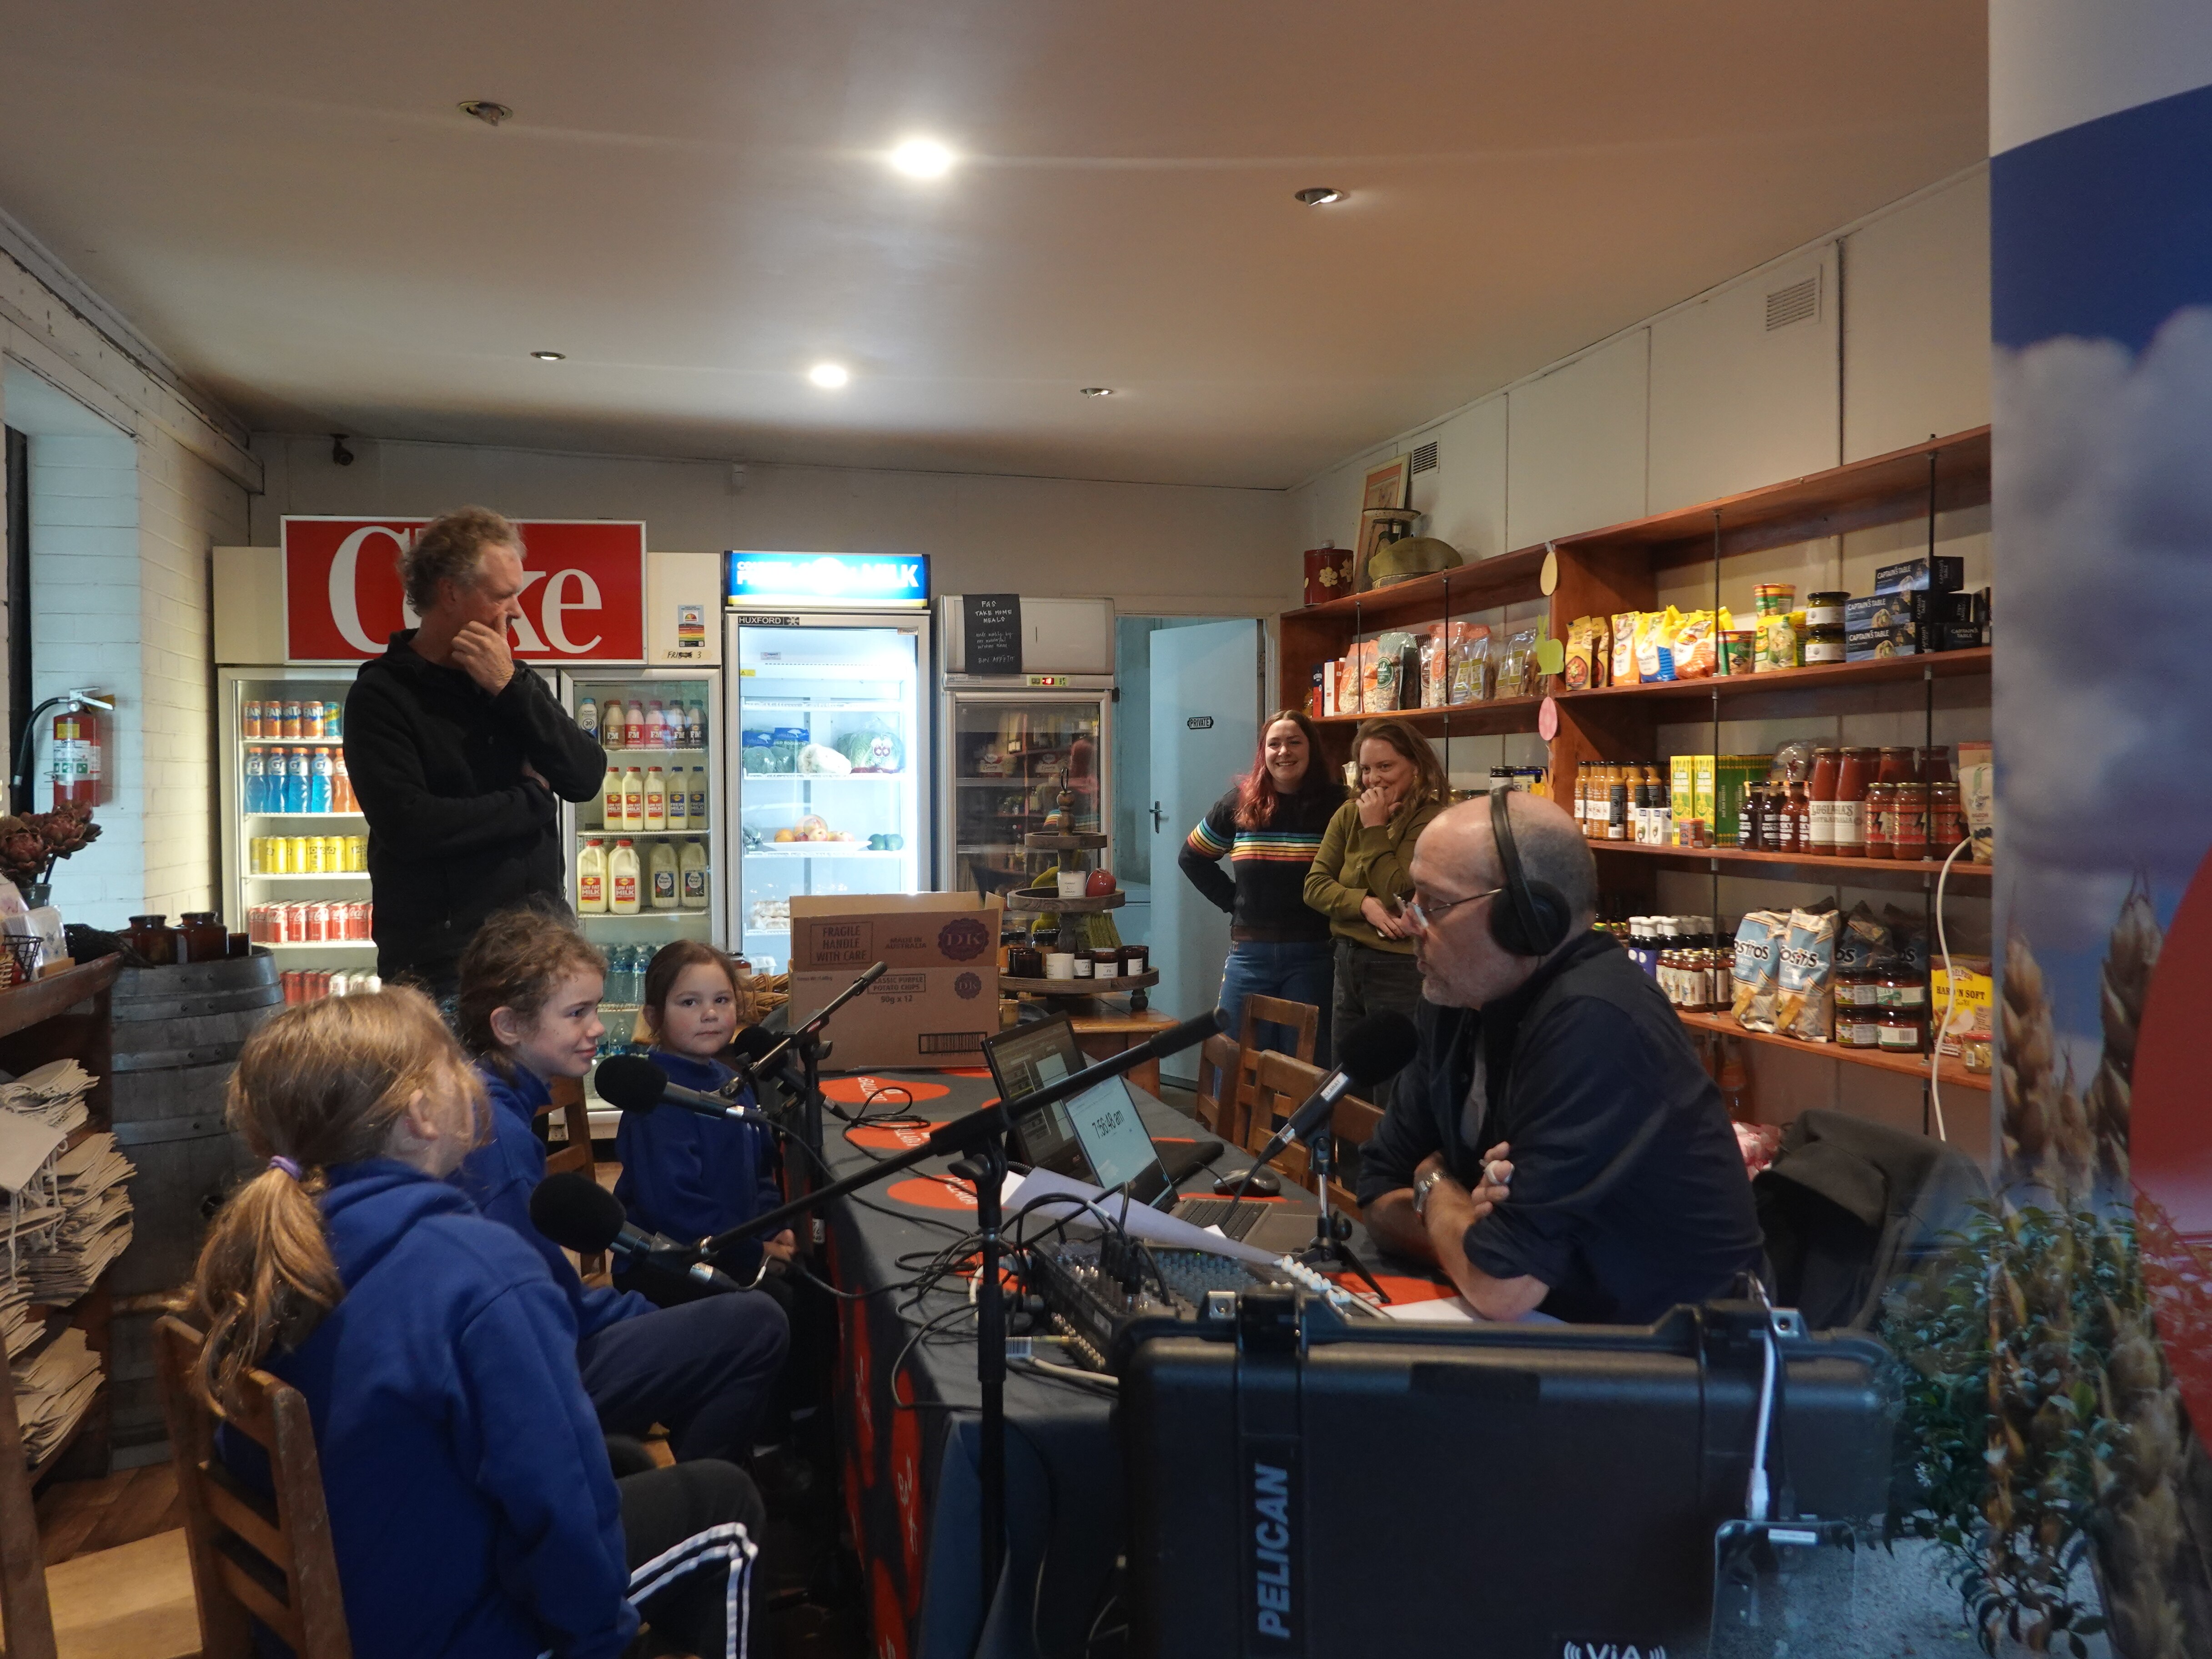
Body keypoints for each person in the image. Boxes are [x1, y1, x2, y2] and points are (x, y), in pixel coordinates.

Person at [179, 990, 764, 1659]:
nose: (473, 1079)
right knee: (728, 1505)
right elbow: (555, 1515)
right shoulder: (479, 1272)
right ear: (423, 1115)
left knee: (621, 1462)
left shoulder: (275, 1252)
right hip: (453, 1632)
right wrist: (604, 1643)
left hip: (340, 1611)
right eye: (455, 1065)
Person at [1356, 789, 1764, 1323]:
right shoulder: (1457, 997)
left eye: (1432, 904)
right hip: (1553, 1335)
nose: (1410, 922)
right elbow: (1377, 1189)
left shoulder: (1596, 1020)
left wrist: (1431, 1184)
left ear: (1527, 919)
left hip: (1677, 1368)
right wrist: (1467, 1231)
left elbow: (1501, 1285)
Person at [453, 908, 791, 1463]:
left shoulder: (490, 1104)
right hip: (525, 1380)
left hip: (530, 1348)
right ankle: (706, 1498)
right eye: (577, 1013)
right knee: (755, 1321)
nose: (595, 1028)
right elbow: (536, 1305)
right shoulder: (500, 1141)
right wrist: (639, 1318)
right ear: (509, 1026)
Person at [343, 506, 607, 995]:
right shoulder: (382, 696)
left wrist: (510, 688)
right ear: (450, 593)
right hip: (447, 967)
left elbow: (585, 776)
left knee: (549, 1078)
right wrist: (530, 798)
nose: (518, 611)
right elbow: (411, 827)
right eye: (504, 595)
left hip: (543, 948)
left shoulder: (511, 677)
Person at [615, 940, 798, 1303]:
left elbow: (761, 1173)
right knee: (781, 1304)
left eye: (722, 1000)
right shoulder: (656, 1101)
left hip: (731, 1247)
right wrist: (753, 1252)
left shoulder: (733, 1083)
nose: (710, 1013)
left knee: (812, 1289)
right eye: (690, 1002)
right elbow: (674, 1209)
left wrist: (775, 1229)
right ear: (653, 1017)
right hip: (667, 1262)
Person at [1179, 709, 1342, 1060]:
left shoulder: (1337, 806)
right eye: (1274, 744)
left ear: (1311, 749)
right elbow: (1192, 857)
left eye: (1295, 742)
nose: (1284, 752)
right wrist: (1236, 902)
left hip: (1314, 955)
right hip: (1250, 956)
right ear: (1263, 753)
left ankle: (1299, 1121)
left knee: (1305, 1067)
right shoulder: (1239, 804)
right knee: (1236, 1061)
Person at [1302, 717, 1447, 1106]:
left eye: (1386, 767)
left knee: (1394, 1091)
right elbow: (1314, 886)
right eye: (1366, 769)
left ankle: (1389, 1168)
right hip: (1348, 961)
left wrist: (1374, 829)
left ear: (1415, 765)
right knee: (1347, 1086)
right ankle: (1349, 1169)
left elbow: (1397, 892)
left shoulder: (1432, 819)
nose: (1373, 780)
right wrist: (1362, 905)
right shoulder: (1350, 814)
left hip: (1400, 968)